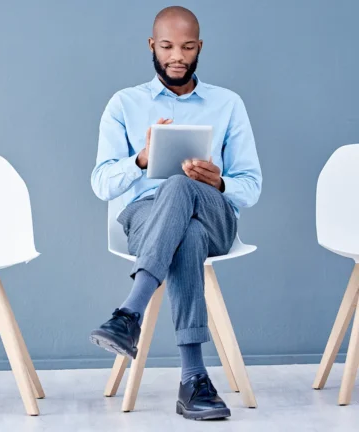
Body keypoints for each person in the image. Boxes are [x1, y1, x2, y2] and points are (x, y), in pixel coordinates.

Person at [88, 6, 262, 420]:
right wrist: (142, 160)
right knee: (188, 236)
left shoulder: (228, 104)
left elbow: (251, 187)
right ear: (152, 46)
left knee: (183, 185)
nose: (177, 56)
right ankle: (194, 381)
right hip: (147, 219)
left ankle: (130, 312)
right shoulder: (124, 104)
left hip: (215, 214)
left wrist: (217, 182)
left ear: (199, 47)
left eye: (187, 47)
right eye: (167, 46)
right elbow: (101, 183)